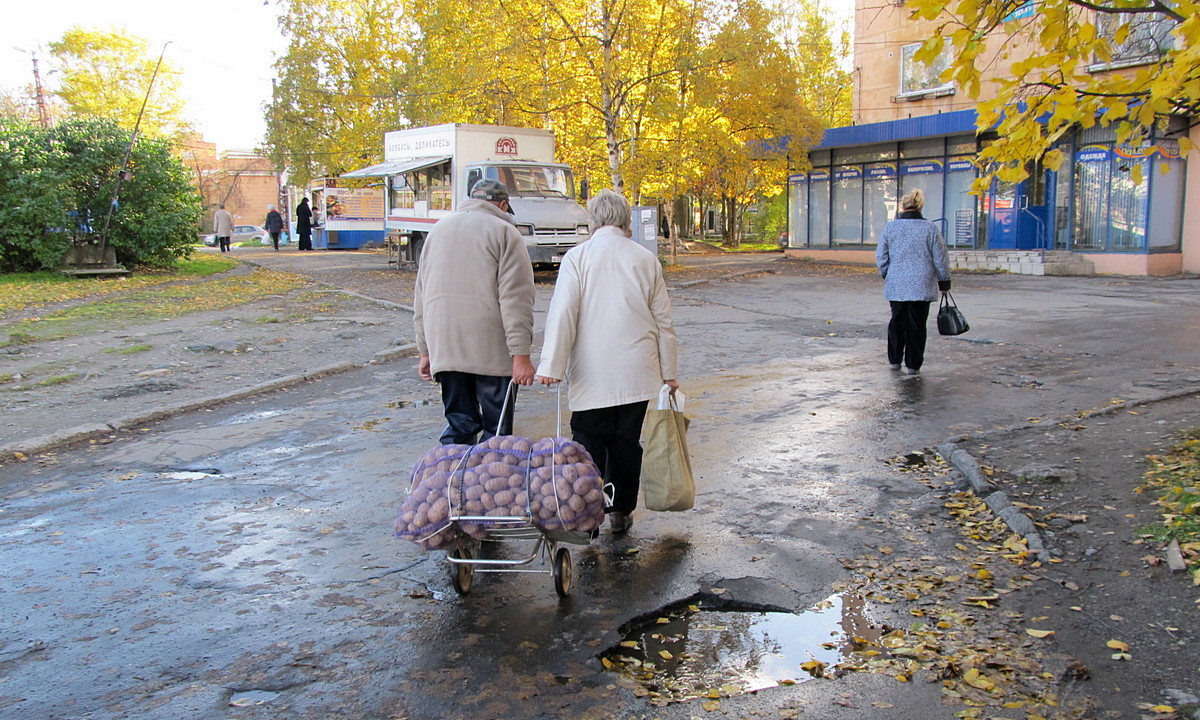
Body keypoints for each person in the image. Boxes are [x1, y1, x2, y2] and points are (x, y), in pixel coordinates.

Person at [535, 189, 679, 534]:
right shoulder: (645, 259)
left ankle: (586, 514)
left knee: (587, 442)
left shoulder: (578, 257)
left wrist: (551, 366)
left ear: (594, 220)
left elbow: (563, 314)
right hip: (637, 371)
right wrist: (669, 372)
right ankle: (620, 511)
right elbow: (664, 322)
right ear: (625, 220)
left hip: (591, 372)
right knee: (626, 442)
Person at [414, 179, 536, 445]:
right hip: (490, 351)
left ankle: (451, 481)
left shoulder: (437, 231)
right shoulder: (505, 232)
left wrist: (425, 350)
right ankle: (490, 484)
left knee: (460, 425)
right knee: (497, 435)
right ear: (503, 205)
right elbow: (516, 299)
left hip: (445, 346)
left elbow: (421, 296)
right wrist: (521, 356)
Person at [875, 188, 952, 376]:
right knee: (917, 325)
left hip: (897, 283)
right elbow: (940, 257)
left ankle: (894, 360)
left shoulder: (891, 228)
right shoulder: (930, 229)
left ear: (903, 206)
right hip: (922, 284)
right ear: (920, 207)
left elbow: (881, 256)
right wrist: (944, 282)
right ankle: (913, 365)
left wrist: (887, 273)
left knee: (897, 321)